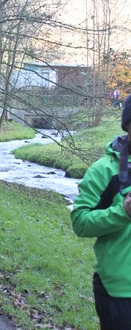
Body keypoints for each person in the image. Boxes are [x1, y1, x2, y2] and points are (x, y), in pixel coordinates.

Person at [72, 95, 131, 328]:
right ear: (127, 126)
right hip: (120, 291)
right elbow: (80, 222)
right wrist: (123, 212)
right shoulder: (104, 170)